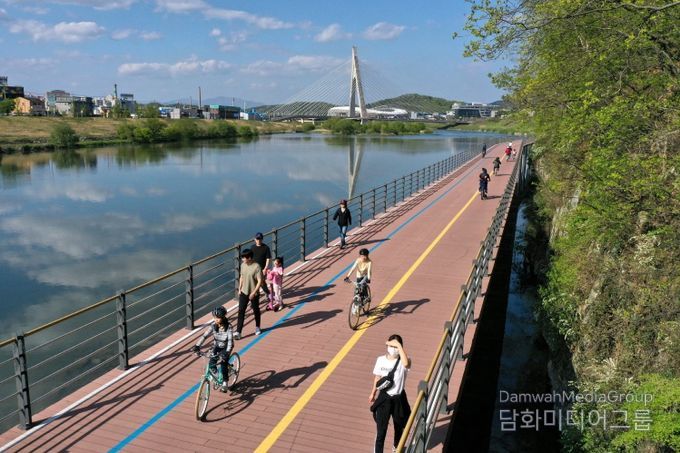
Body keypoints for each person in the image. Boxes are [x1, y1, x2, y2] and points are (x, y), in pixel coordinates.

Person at [369, 334, 411, 453]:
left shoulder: (405, 360)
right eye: (391, 346)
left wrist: (398, 346)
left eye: (396, 346)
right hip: (384, 398)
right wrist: (373, 393)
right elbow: (377, 377)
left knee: (399, 426)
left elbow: (406, 364)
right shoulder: (380, 360)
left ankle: (396, 447)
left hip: (399, 399)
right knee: (381, 431)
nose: (393, 349)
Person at [191, 306, 234, 392]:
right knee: (212, 363)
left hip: (226, 347)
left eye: (218, 318)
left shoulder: (228, 327)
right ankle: (218, 377)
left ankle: (225, 382)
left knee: (223, 364)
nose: (215, 320)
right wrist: (197, 345)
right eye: (214, 317)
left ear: (223, 317)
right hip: (217, 346)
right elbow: (205, 335)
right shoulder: (213, 326)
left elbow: (230, 341)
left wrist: (227, 352)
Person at [235, 248, 263, 339]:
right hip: (244, 292)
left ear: (250, 257)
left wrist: (254, 292)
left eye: (244, 257)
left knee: (256, 310)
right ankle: (238, 332)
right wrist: (239, 288)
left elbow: (259, 281)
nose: (243, 259)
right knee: (241, 311)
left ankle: (257, 327)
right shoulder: (243, 265)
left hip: (253, 293)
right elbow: (242, 277)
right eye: (242, 257)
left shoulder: (257, 266)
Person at [251, 232, 272, 301]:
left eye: (260, 239)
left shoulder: (266, 248)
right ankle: (258, 295)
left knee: (261, 282)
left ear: (262, 239)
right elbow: (250, 258)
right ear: (254, 239)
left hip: (262, 269)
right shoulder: (252, 247)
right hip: (254, 268)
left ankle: (268, 294)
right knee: (255, 282)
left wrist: (265, 268)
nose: (259, 240)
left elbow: (268, 258)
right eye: (257, 239)